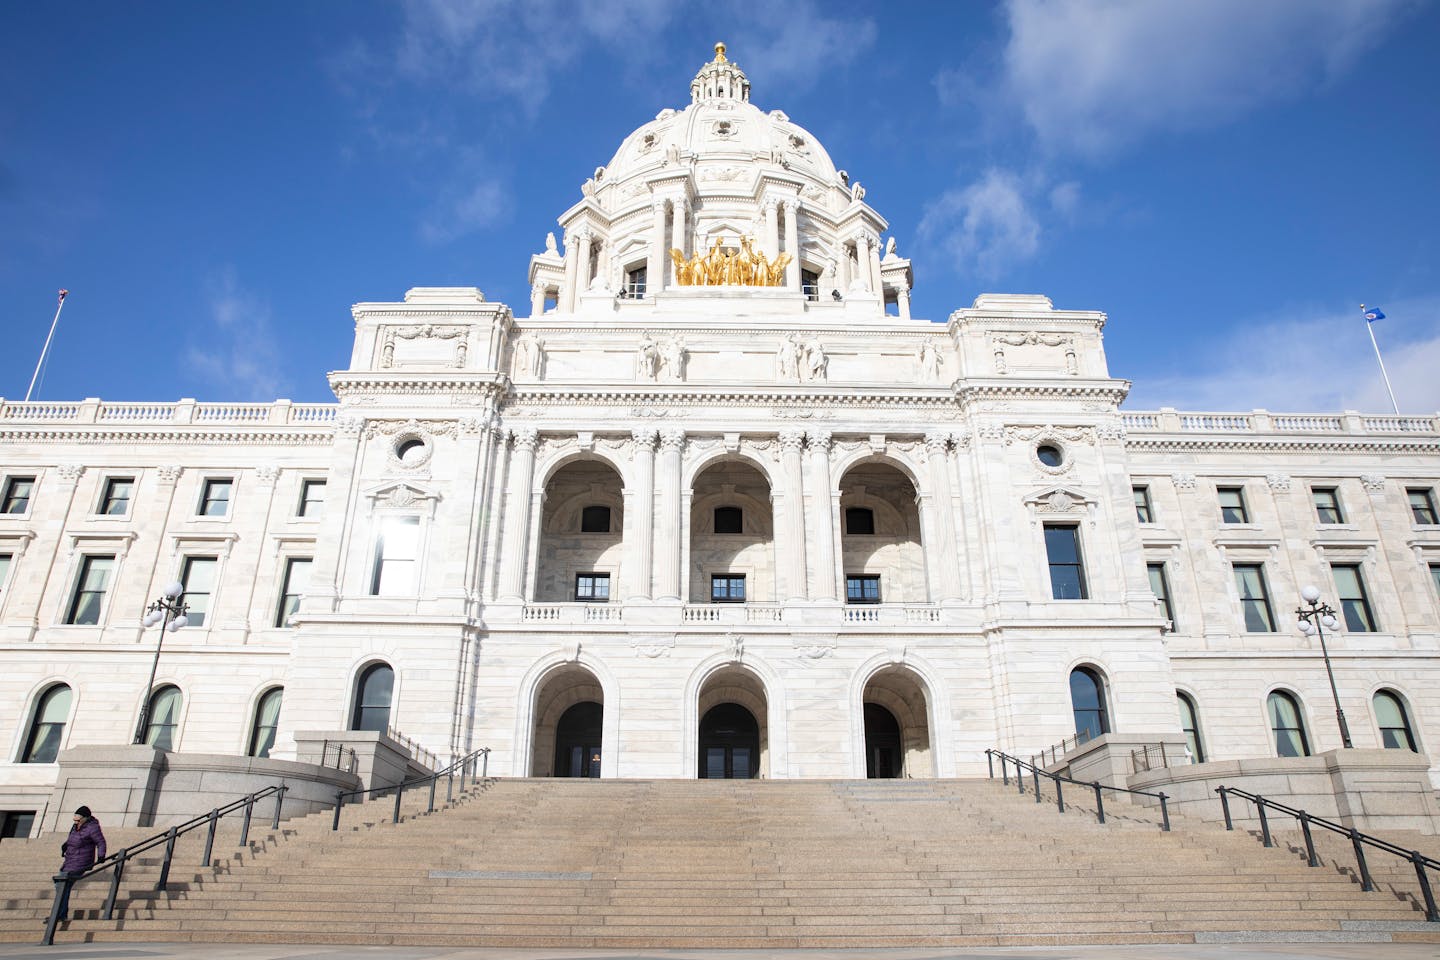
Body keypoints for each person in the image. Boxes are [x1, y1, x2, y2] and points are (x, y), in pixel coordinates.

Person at [56, 806, 106, 921]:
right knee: (61, 886)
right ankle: (60, 914)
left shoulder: (92, 828)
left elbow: (100, 841)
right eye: (74, 818)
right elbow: (73, 838)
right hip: (70, 860)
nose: (75, 821)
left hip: (81, 861)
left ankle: (60, 914)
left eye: (78, 818)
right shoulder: (75, 827)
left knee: (62, 885)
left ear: (85, 818)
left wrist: (101, 855)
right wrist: (65, 845)